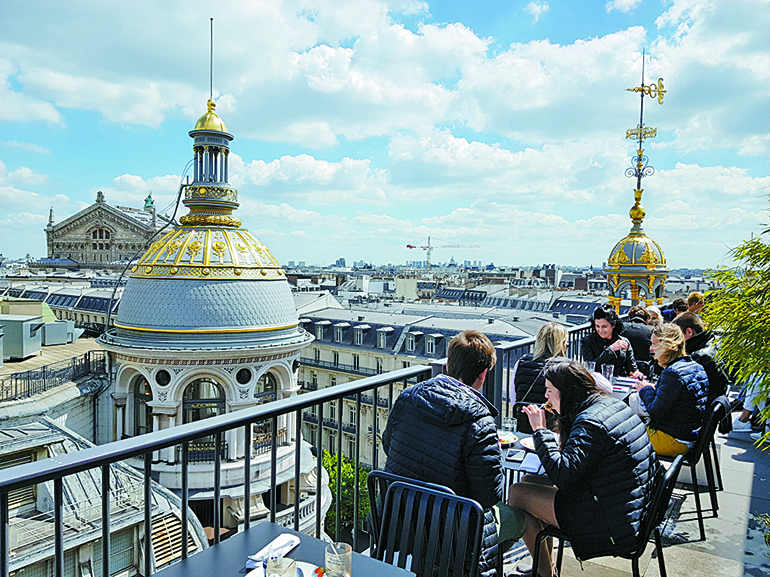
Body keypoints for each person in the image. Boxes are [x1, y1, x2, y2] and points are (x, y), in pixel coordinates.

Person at [508, 360, 658, 577]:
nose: (545, 397)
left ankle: (544, 573)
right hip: (630, 504)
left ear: (566, 392)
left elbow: (563, 476)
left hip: (612, 521)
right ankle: (545, 565)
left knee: (517, 494)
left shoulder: (590, 423)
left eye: (549, 391)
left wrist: (541, 430)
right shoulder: (610, 404)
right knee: (527, 482)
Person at [382, 330, 503, 577]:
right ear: (483, 374)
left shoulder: (407, 398)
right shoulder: (480, 423)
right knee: (520, 517)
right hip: (455, 534)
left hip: (401, 521)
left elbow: (388, 445)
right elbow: (491, 495)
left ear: (448, 365)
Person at [633, 323, 708, 456]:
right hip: (688, 434)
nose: (651, 349)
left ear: (665, 345)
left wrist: (644, 390)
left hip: (673, 439)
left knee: (617, 438)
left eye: (654, 344)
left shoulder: (672, 373)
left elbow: (655, 411)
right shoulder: (695, 366)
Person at [672, 312, 730, 404]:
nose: (674, 340)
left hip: (702, 406)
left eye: (676, 335)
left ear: (689, 332)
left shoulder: (699, 357)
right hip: (716, 401)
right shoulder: (713, 342)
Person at [580, 304, 641, 378]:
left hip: (620, 382)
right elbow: (591, 367)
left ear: (613, 324)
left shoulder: (624, 341)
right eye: (597, 326)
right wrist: (610, 350)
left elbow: (632, 367)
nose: (600, 330)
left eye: (604, 326)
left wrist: (636, 373)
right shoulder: (587, 341)